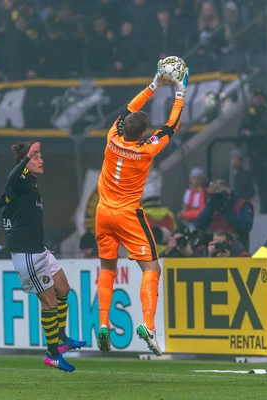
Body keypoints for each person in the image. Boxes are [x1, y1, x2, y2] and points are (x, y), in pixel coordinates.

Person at [95, 60, 189, 356]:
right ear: (145, 131)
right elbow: (172, 125)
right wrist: (180, 91)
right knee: (152, 268)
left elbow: (128, 108)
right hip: (126, 214)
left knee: (107, 268)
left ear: (123, 126)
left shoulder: (111, 138)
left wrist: (153, 84)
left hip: (102, 213)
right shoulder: (147, 149)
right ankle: (148, 325)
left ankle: (103, 324)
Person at [0, 141, 86, 372]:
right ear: (26, 161)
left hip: (40, 250)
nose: (41, 160)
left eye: (39, 157)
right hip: (26, 253)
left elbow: (1, 200)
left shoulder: (28, 183)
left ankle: (62, 338)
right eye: (37, 157)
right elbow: (10, 179)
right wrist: (27, 158)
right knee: (50, 303)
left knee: (64, 289)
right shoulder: (19, 178)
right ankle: (52, 354)